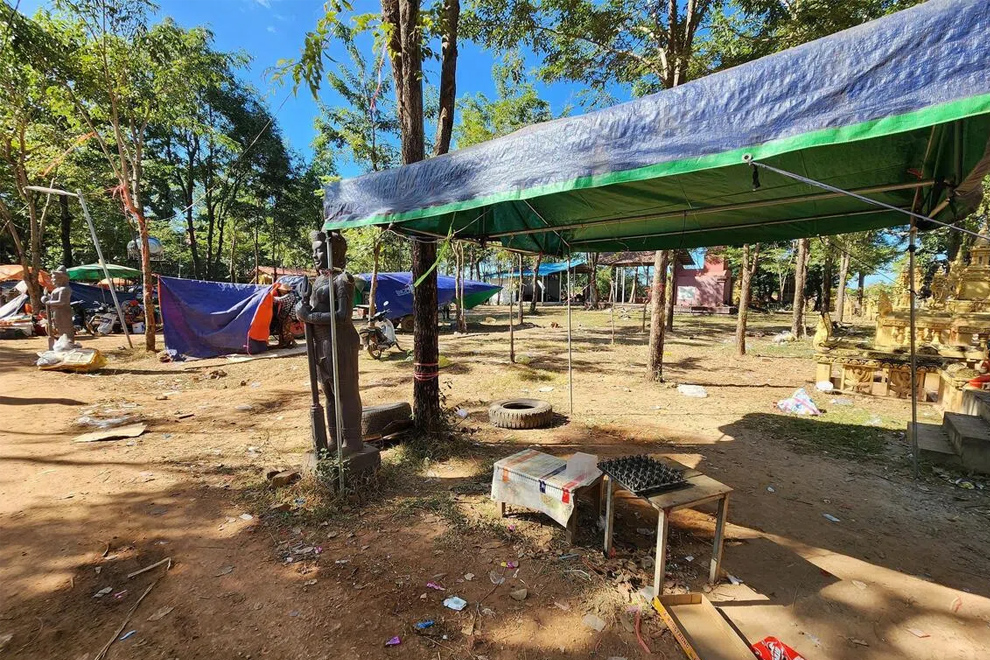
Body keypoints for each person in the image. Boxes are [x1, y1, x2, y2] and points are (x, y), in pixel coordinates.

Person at [272, 282, 302, 348]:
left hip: (289, 315)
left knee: (285, 330)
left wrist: (270, 296)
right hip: (288, 315)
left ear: (285, 290)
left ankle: (293, 343)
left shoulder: (289, 296)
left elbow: (278, 299)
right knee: (282, 329)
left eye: (281, 290)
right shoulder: (290, 295)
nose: (280, 291)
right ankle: (283, 343)